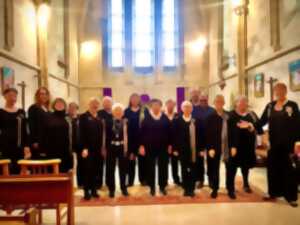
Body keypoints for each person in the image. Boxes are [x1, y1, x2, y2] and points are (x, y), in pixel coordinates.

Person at [259, 83, 300, 207]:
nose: (279, 92)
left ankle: (291, 197)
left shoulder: (292, 105)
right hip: (273, 144)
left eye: (282, 90)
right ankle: (272, 193)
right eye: (277, 90)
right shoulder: (270, 106)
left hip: (288, 145)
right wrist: (252, 126)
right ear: (274, 92)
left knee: (289, 170)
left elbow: (298, 124)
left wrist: (297, 142)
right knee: (272, 169)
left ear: (286, 91)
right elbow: (261, 121)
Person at [227, 96, 262, 199]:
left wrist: (250, 125)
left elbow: (259, 128)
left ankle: (246, 184)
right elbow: (226, 132)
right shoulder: (230, 115)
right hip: (234, 146)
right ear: (236, 103)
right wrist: (231, 146)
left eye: (245, 102)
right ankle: (231, 188)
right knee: (232, 167)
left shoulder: (252, 114)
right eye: (241, 102)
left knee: (245, 166)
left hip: (248, 145)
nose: (243, 104)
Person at [139, 99, 171, 196]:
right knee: (150, 167)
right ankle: (152, 187)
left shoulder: (165, 118)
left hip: (163, 147)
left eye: (158, 105)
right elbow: (141, 133)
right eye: (154, 105)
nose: (156, 107)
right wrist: (141, 146)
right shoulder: (146, 118)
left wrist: (170, 145)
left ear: (160, 106)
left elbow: (170, 133)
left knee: (163, 167)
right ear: (151, 106)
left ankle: (162, 186)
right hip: (149, 147)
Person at [0, 88, 30, 174]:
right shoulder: (1, 112)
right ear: (5, 96)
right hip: (5, 146)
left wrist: (27, 145)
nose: (13, 98)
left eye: (15, 96)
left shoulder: (21, 112)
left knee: (19, 170)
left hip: (19, 146)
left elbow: (25, 130)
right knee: (6, 171)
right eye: (10, 95)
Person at [80, 98, 105, 200]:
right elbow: (81, 134)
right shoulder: (83, 117)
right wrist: (84, 148)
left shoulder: (99, 117)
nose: (95, 105)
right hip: (87, 149)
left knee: (95, 170)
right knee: (87, 170)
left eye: (97, 104)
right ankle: (86, 191)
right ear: (88, 104)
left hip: (97, 149)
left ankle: (94, 190)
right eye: (93, 103)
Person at [205, 95, 229, 198]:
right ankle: (213, 186)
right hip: (213, 147)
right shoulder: (209, 116)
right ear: (214, 103)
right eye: (217, 102)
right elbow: (207, 133)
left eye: (221, 101)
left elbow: (232, 131)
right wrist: (210, 148)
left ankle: (218, 188)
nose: (219, 103)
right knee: (213, 168)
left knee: (227, 168)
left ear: (224, 103)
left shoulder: (228, 116)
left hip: (226, 146)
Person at [190, 90, 215, 189]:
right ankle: (200, 179)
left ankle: (211, 180)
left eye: (204, 100)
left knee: (211, 160)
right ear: (199, 100)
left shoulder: (212, 110)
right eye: (201, 100)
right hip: (198, 140)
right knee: (199, 161)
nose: (203, 101)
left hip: (210, 139)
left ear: (207, 100)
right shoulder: (194, 110)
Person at [105, 103, 129, 198]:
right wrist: (104, 148)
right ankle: (111, 189)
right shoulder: (108, 122)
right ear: (113, 112)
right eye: (116, 110)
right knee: (110, 169)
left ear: (123, 112)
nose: (118, 112)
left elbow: (129, 136)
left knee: (123, 169)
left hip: (122, 148)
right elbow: (105, 136)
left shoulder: (126, 122)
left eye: (120, 110)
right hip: (111, 148)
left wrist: (128, 149)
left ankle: (124, 188)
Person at [43, 98, 73, 172]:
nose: (59, 105)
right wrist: (43, 149)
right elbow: (44, 132)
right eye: (57, 103)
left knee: (65, 171)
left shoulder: (68, 118)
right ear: (54, 105)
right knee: (52, 172)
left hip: (65, 149)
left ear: (65, 106)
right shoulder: (48, 116)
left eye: (61, 103)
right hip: (52, 149)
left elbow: (72, 134)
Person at [124, 93, 143, 186]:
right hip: (130, 140)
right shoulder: (126, 111)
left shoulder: (144, 111)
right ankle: (130, 181)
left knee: (142, 161)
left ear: (139, 100)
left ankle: (143, 180)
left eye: (137, 98)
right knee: (130, 161)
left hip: (142, 140)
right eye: (133, 99)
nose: (135, 100)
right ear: (130, 100)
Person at [28, 87, 51, 159]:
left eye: (45, 94)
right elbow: (31, 125)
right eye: (41, 94)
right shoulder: (33, 108)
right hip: (38, 141)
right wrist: (34, 141)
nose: (44, 96)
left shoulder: (48, 109)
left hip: (47, 140)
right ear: (37, 96)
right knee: (39, 162)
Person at [96, 96, 113, 189]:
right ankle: (98, 183)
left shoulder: (114, 113)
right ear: (103, 104)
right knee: (99, 163)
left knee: (110, 164)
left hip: (111, 142)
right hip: (100, 142)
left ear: (112, 103)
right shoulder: (99, 113)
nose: (107, 104)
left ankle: (109, 182)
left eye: (109, 102)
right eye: (105, 102)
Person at [164, 99, 181, 186]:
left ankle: (176, 179)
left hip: (175, 144)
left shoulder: (178, 116)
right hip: (164, 145)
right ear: (166, 105)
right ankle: (164, 180)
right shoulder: (162, 116)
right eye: (169, 105)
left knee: (175, 163)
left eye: (172, 105)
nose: (170, 106)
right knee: (164, 164)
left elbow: (179, 132)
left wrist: (175, 146)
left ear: (174, 106)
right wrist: (167, 145)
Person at [68, 102, 83, 187]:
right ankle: (69, 184)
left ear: (77, 109)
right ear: (68, 109)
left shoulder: (80, 118)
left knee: (80, 164)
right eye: (71, 107)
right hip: (69, 144)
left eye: (74, 108)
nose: (72, 109)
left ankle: (80, 183)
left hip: (79, 144)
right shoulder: (65, 118)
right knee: (70, 164)